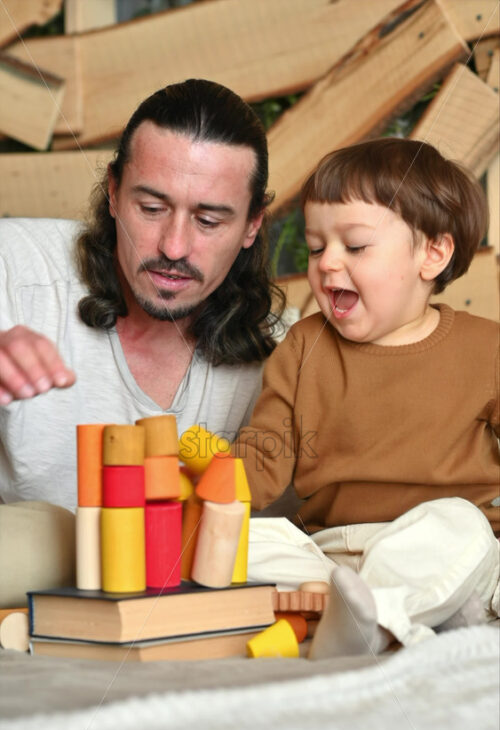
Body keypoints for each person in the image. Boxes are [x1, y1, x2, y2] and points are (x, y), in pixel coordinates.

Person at [0, 78, 284, 606]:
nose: (174, 246)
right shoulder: (17, 267)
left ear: (251, 225)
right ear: (112, 192)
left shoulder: (285, 361)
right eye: (151, 209)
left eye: (208, 220)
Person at [233, 138, 499, 655]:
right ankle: (365, 620)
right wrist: (205, 481)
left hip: (437, 550)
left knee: (460, 527)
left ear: (432, 254)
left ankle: (369, 621)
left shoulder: (485, 349)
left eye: (354, 246)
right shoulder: (304, 346)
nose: (328, 263)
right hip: (332, 554)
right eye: (316, 247)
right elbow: (263, 458)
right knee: (241, 543)